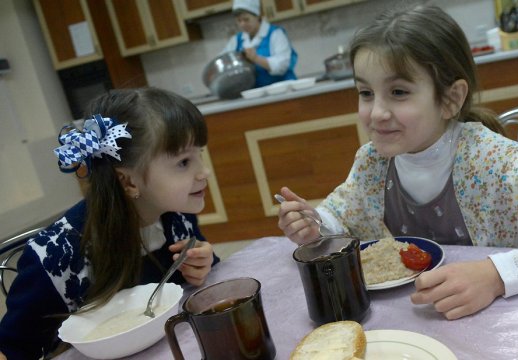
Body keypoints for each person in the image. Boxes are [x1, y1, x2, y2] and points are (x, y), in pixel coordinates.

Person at [277, 4, 518, 321]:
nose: (376, 113)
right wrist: (315, 224)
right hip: (411, 324)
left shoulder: (493, 162)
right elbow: (345, 216)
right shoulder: (372, 162)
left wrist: (495, 275)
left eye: (398, 92)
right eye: (366, 93)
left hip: (500, 321)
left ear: (451, 98)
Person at [0, 88, 219, 359]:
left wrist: (201, 265)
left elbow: (193, 286)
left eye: (200, 153)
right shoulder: (57, 256)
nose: (204, 171)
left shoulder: (176, 215)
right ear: (128, 181)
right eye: (184, 162)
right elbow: (12, 348)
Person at [220, 0, 298, 88]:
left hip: (284, 90)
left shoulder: (275, 34)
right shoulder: (236, 40)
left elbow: (282, 66)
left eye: (246, 19)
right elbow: (223, 61)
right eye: (239, 20)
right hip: (255, 93)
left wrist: (256, 58)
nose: (242, 24)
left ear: (258, 16)